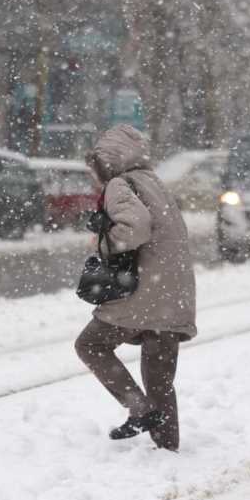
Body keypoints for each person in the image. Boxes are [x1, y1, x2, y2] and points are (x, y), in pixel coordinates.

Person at [75, 124, 197, 451]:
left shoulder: (120, 183)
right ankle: (167, 448)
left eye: (96, 166)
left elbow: (136, 228)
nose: (95, 175)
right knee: (159, 378)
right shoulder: (154, 182)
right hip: (174, 293)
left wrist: (103, 243)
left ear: (108, 161)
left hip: (145, 291)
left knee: (90, 345)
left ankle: (138, 408)